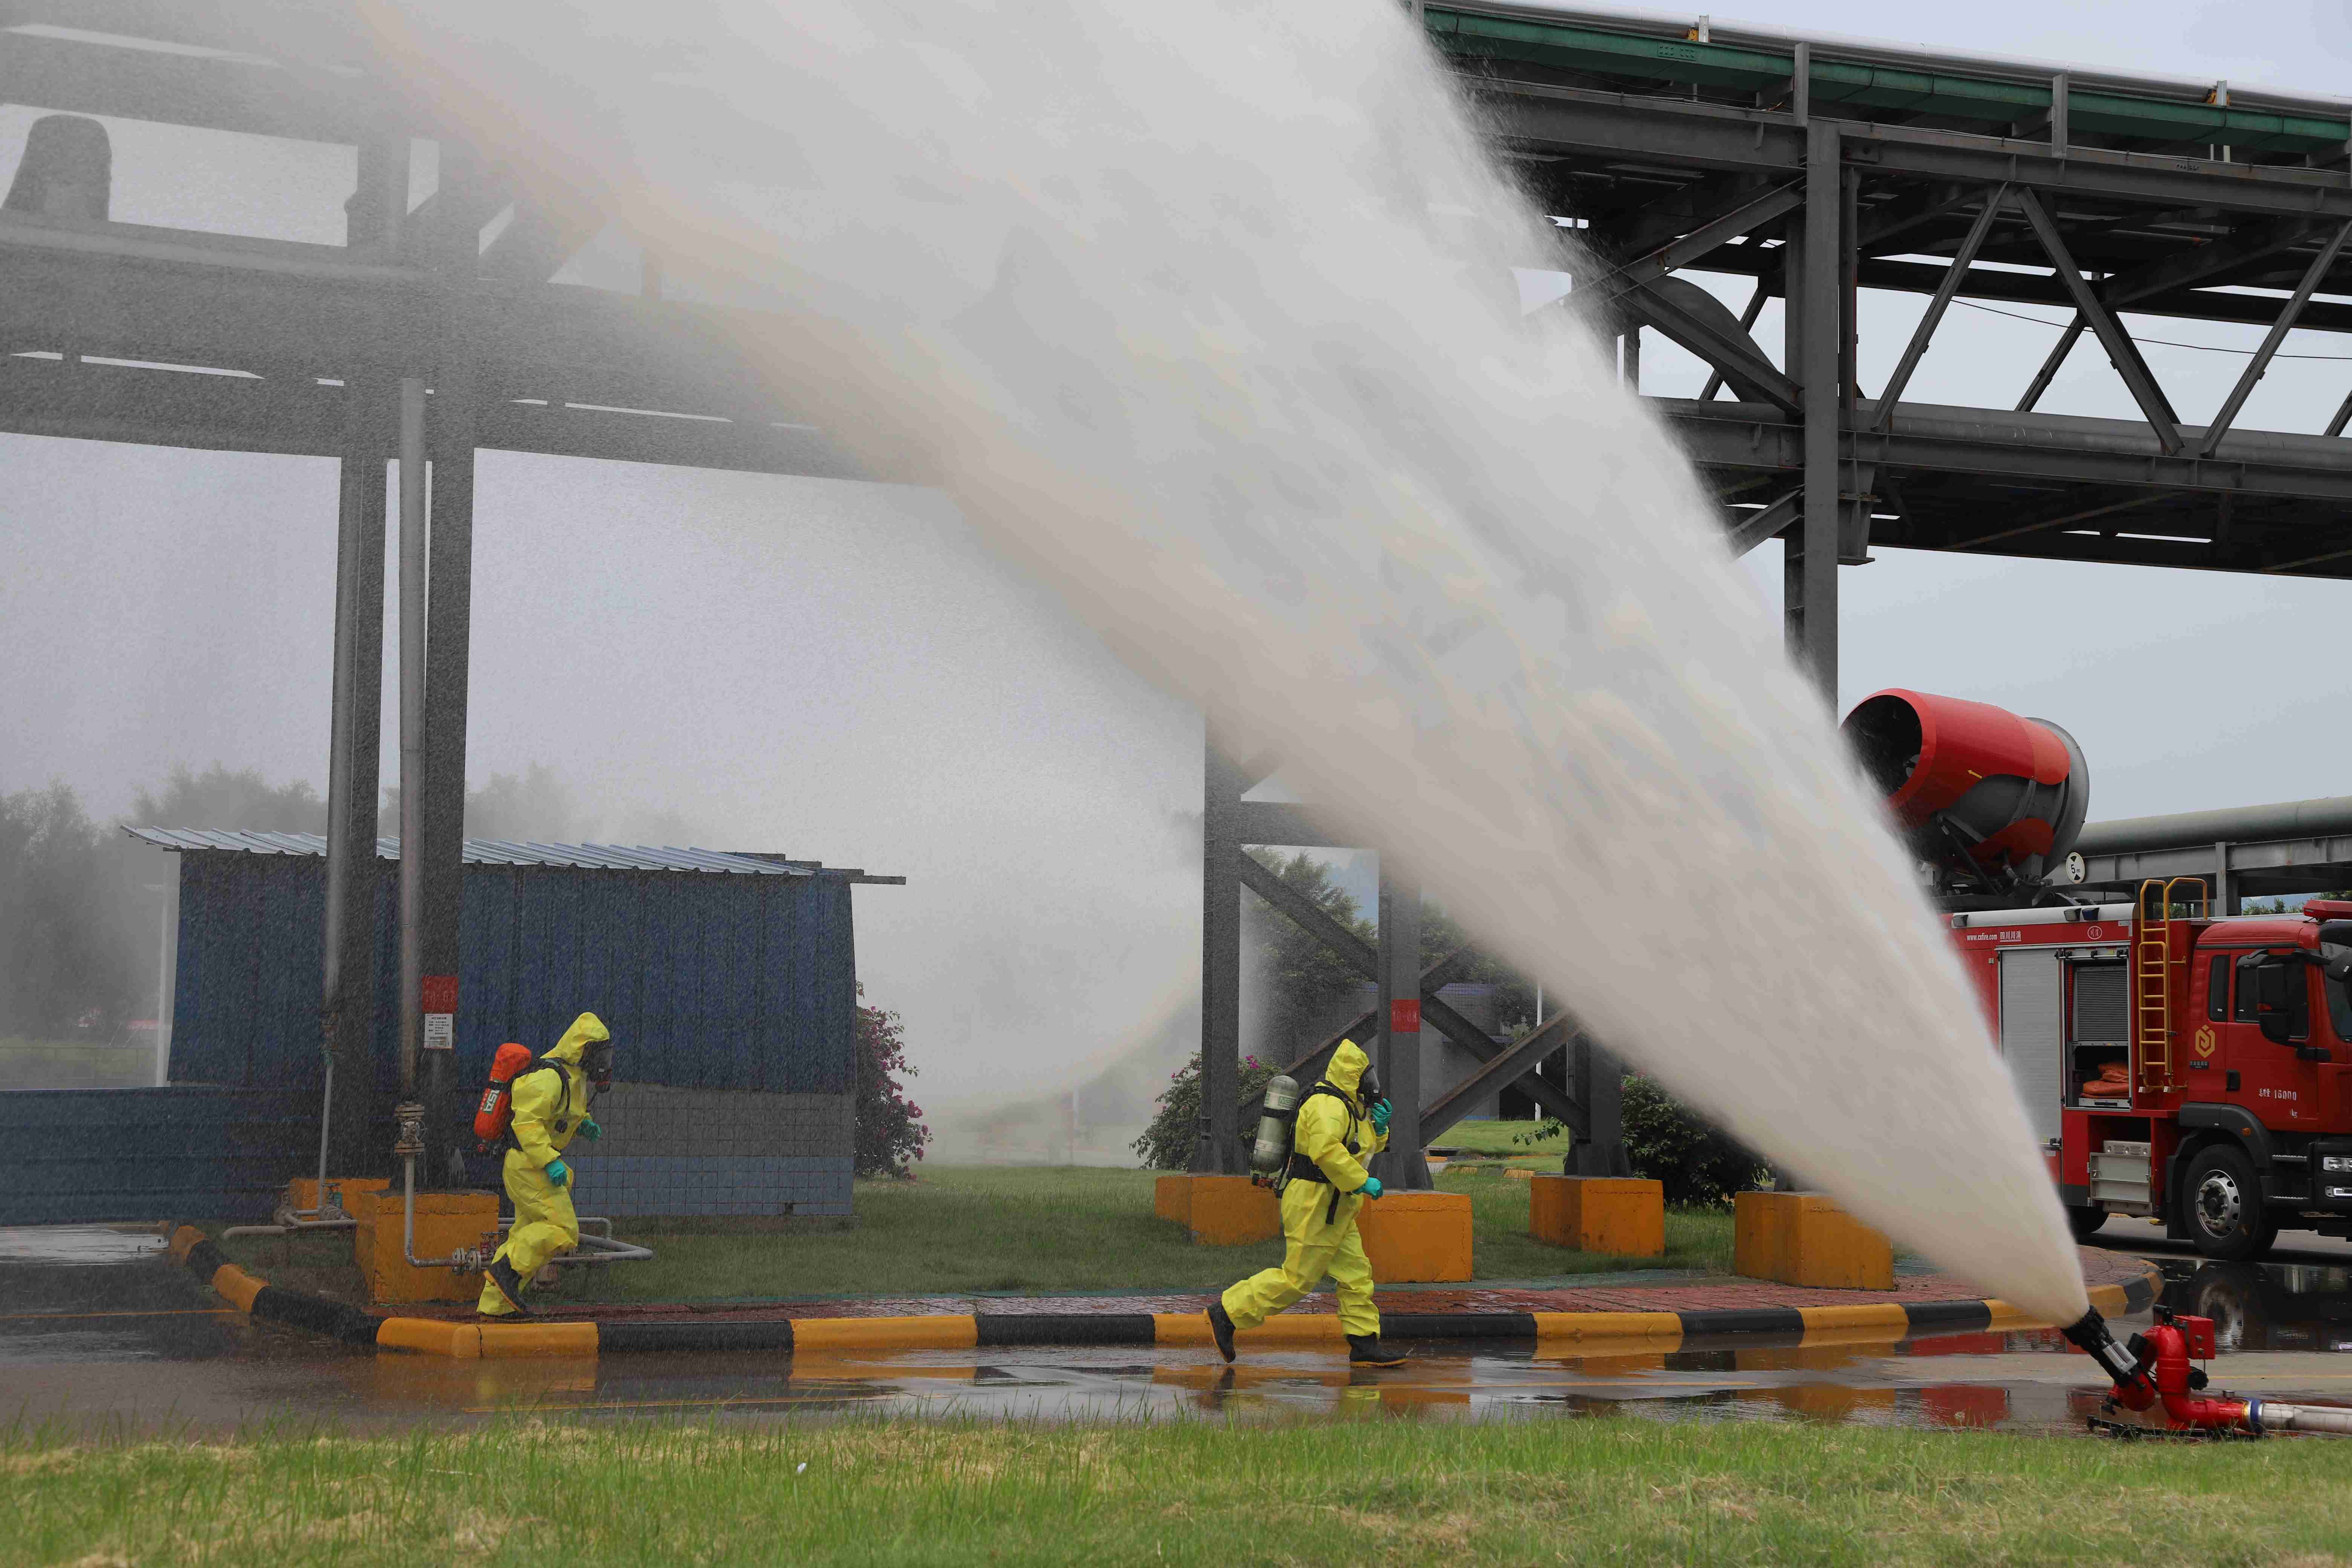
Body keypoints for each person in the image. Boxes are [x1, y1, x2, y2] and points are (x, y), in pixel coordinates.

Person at [1208, 1038, 1406, 1367]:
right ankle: (1228, 1313)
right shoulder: (1327, 1105)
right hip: (1315, 1203)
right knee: (1297, 1278)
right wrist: (1362, 1182)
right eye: (1365, 1079)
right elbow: (1327, 1151)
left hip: (1337, 1206)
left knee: (1356, 1274)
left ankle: (1364, 1343)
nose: (1371, 1086)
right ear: (1350, 1076)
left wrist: (1379, 1128)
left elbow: (1359, 1147)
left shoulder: (1349, 1106)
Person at [477, 1012, 614, 1318]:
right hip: (529, 1165)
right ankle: (505, 1271)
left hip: (533, 1164)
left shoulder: (573, 1077)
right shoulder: (549, 1078)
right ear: (583, 1050)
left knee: (525, 1234)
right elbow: (527, 1124)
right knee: (563, 1230)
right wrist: (550, 1162)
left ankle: (493, 1307)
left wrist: (583, 1125)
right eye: (600, 1054)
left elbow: (560, 1115)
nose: (604, 1063)